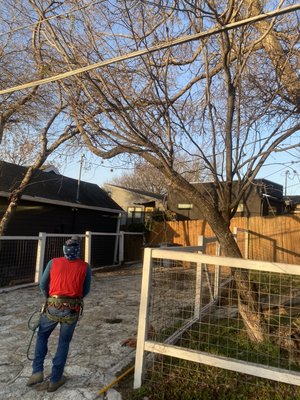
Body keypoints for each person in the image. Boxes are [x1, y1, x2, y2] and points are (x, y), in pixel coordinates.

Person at [26, 236, 91, 392]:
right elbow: (86, 290)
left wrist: (49, 297)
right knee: (63, 343)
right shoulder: (85, 267)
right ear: (78, 251)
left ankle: (37, 372)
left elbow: (42, 284)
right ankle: (55, 380)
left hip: (52, 307)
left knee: (42, 336)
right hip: (72, 310)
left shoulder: (53, 262)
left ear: (64, 249)